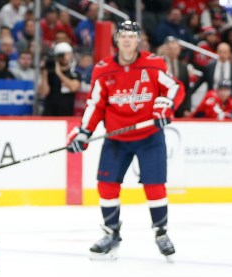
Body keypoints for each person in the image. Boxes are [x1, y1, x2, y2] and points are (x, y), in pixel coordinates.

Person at [67, 21, 184, 261]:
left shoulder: (153, 64)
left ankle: (161, 233)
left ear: (139, 40)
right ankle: (111, 233)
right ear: (117, 41)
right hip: (116, 138)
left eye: (132, 36)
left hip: (149, 136)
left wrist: (166, 107)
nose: (127, 40)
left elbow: (174, 88)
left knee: (154, 187)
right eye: (123, 36)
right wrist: (83, 133)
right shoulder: (103, 69)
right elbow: (95, 105)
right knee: (106, 186)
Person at [39, 42, 82, 116]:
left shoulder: (74, 73)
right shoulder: (49, 72)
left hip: (67, 114)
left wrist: (59, 73)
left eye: (67, 54)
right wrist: (45, 74)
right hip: (49, 114)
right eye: (62, 55)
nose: (65, 57)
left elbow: (74, 87)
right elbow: (43, 92)